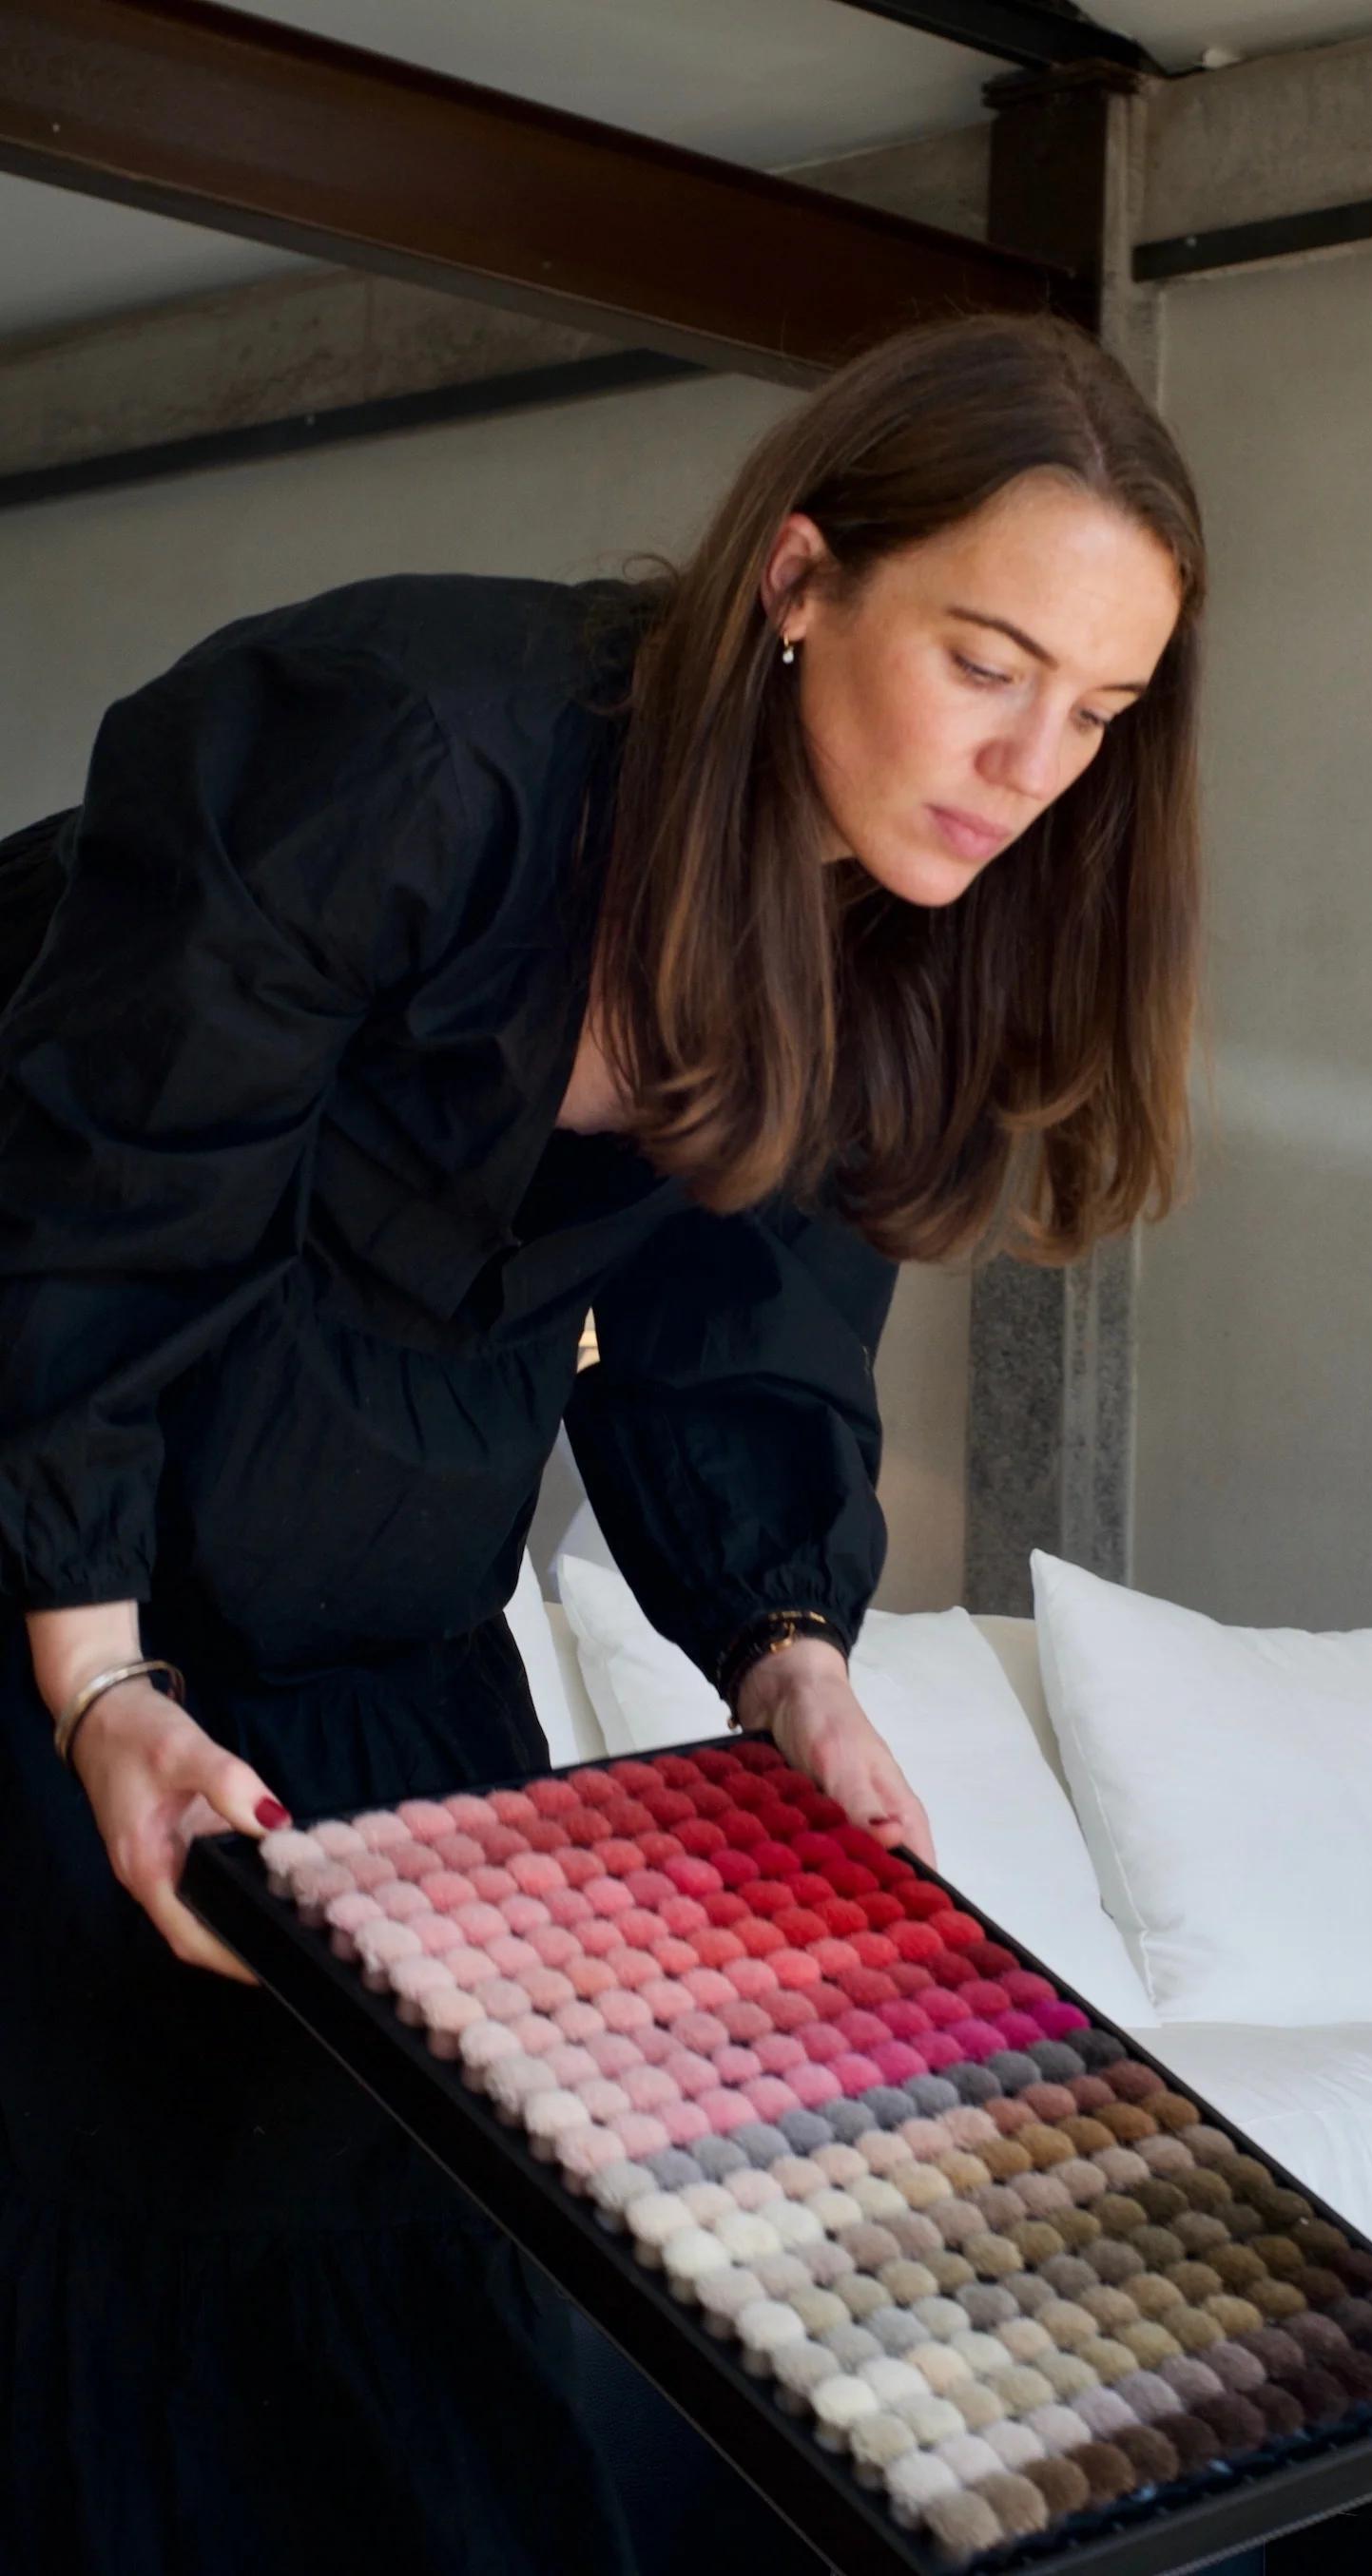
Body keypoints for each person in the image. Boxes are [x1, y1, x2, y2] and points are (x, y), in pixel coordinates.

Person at [0, 308, 1206, 2574]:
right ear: (802, 579)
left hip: (373, 1626)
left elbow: (740, 1351)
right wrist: (94, 1675)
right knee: (94, 2245)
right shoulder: (405, 748)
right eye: (987, 659)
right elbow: (94, 1219)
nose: (1035, 757)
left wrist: (792, 1665)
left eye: (1102, 711)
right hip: (41, 1538)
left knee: (440, 2286)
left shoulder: (892, 941)